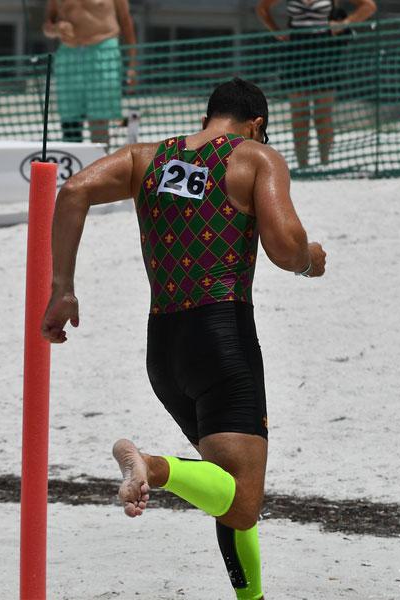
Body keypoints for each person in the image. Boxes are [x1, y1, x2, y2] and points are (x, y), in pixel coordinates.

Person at [41, 78, 327, 600]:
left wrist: (63, 288)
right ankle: (151, 465)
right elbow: (286, 248)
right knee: (242, 500)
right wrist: (312, 261)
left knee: (223, 485)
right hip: (221, 338)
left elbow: (74, 190)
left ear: (207, 116)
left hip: (164, 349)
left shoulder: (145, 158)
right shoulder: (255, 158)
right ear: (257, 124)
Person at [256, 0, 376, 169]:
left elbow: (369, 6)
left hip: (324, 52)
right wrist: (276, 31)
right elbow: (262, 8)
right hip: (296, 51)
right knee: (299, 115)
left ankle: (324, 163)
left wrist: (345, 23)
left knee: (323, 115)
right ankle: (302, 165)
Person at [42, 0, 137, 147]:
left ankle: (100, 164)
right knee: (69, 118)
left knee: (99, 119)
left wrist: (133, 64)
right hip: (69, 52)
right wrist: (56, 29)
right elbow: (47, 26)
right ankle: (73, 163)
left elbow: (126, 21)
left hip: (103, 50)